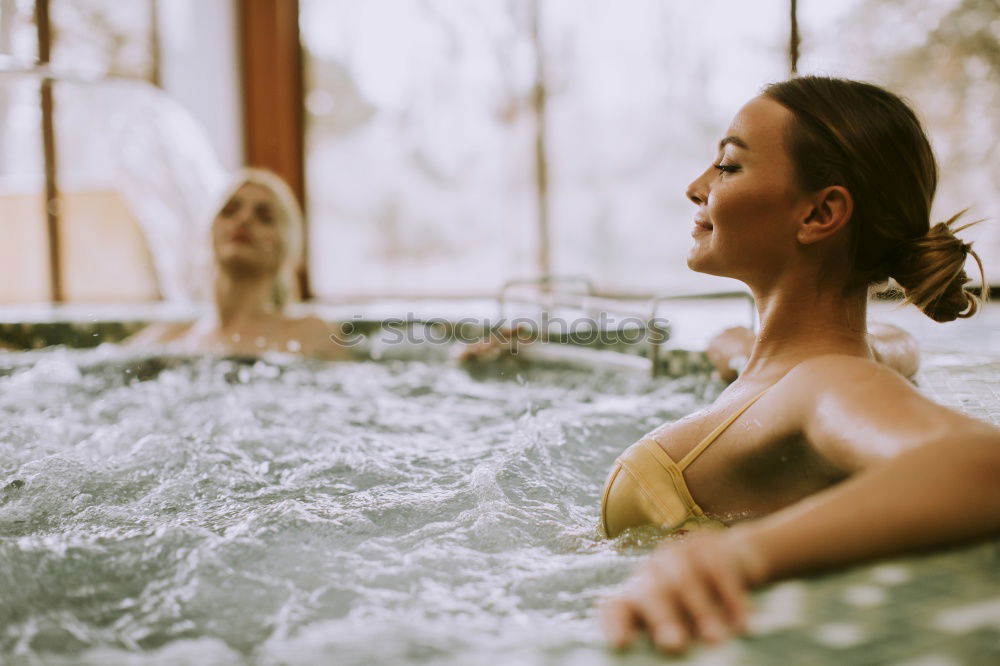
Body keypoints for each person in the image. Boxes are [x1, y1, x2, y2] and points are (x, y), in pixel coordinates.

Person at [598, 76, 1000, 653]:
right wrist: (743, 356)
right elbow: (889, 344)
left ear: (820, 214)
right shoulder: (849, 360)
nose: (696, 187)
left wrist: (741, 555)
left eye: (728, 167)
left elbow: (985, 467)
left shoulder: (827, 382)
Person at [127, 169, 346, 360]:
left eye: (264, 217)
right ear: (211, 232)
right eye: (230, 211)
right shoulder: (168, 338)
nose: (243, 220)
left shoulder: (309, 334)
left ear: (287, 247)